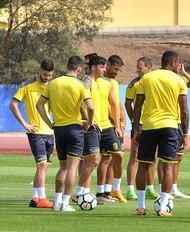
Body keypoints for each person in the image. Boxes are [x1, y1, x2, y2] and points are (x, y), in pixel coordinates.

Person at [133, 50, 189, 217]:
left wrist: (136, 128)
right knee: (168, 166)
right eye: (178, 64)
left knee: (143, 165)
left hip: (149, 126)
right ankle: (163, 207)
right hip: (170, 127)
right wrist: (185, 133)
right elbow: (184, 110)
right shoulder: (178, 80)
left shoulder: (147, 78)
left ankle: (141, 207)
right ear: (172, 63)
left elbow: (137, 106)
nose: (179, 67)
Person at [36, 56, 94, 212]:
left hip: (59, 129)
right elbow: (91, 107)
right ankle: (66, 203)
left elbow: (39, 104)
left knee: (62, 168)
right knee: (72, 168)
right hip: (75, 129)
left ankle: (56, 202)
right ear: (79, 69)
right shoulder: (81, 85)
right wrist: (89, 121)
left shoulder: (53, 83)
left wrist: (49, 123)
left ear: (67, 66)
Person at [9, 59, 55, 208]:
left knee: (44, 166)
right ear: (39, 70)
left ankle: (35, 198)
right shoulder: (28, 86)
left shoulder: (52, 88)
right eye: (45, 74)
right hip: (36, 132)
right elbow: (13, 104)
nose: (47, 77)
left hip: (50, 132)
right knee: (42, 165)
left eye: (50, 75)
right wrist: (25, 124)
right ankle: (42, 198)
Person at [75, 55, 114, 204]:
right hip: (90, 126)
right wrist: (86, 119)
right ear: (93, 68)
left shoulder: (97, 82)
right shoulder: (87, 81)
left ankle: (84, 192)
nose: (105, 69)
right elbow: (79, 100)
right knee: (94, 159)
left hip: (96, 125)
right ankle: (80, 192)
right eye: (102, 67)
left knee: (88, 160)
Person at [124, 57, 157, 200]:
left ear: (149, 68)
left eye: (140, 67)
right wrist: (134, 121)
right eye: (137, 67)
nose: (137, 70)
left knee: (151, 158)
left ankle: (150, 188)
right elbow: (128, 103)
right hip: (140, 125)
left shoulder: (154, 82)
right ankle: (130, 189)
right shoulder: (134, 84)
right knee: (134, 156)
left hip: (152, 124)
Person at [167, 63, 190, 200]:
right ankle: (165, 188)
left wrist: (184, 73)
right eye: (177, 63)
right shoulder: (166, 79)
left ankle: (174, 187)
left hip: (180, 122)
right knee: (167, 158)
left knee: (178, 157)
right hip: (170, 121)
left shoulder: (181, 80)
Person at [97, 54, 126, 203]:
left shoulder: (113, 82)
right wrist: (117, 125)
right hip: (105, 125)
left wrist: (122, 119)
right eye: (115, 69)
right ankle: (103, 192)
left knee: (110, 157)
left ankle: (109, 191)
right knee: (112, 156)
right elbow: (109, 105)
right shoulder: (98, 81)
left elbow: (117, 103)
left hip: (112, 125)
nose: (116, 72)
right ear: (107, 65)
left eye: (119, 70)